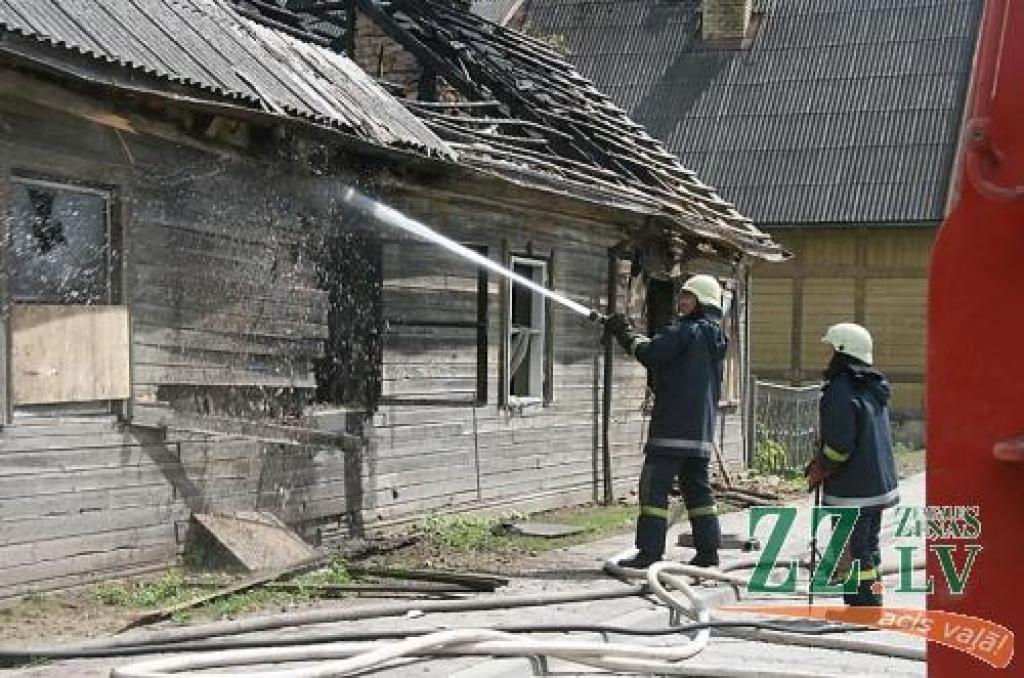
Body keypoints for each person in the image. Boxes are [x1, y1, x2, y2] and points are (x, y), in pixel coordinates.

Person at [605, 274, 728, 569]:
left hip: (671, 428)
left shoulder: (686, 330)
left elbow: (652, 354)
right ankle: (708, 553)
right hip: (700, 433)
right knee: (698, 492)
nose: (681, 302)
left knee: (653, 489)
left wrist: (624, 333)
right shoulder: (717, 337)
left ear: (702, 302)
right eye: (682, 296)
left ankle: (649, 553)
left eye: (688, 297)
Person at [805, 322, 899, 606]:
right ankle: (868, 602)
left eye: (832, 350)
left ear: (842, 353)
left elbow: (840, 446)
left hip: (853, 488)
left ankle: (865, 605)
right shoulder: (873, 385)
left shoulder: (841, 390)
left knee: (855, 548)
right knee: (869, 545)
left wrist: (821, 468)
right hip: (877, 485)